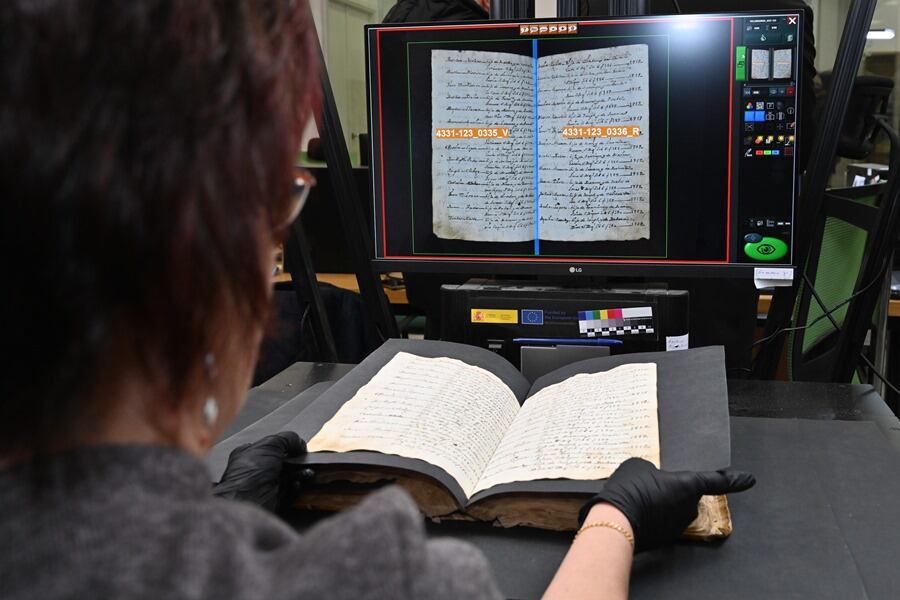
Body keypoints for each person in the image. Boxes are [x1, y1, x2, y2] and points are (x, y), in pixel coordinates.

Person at [0, 1, 754, 598]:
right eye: (276, 205)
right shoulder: (381, 578)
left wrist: (219, 516)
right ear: (198, 261)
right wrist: (616, 520)